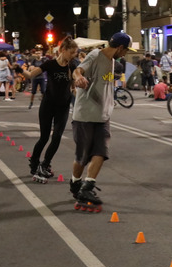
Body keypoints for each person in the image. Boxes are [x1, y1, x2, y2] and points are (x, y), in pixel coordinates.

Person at [68, 32, 133, 207]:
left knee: (101, 151)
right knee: (82, 155)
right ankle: (75, 183)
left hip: (103, 115)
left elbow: (106, 84)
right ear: (120, 47)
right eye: (126, 50)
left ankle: (88, 186)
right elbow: (78, 70)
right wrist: (79, 78)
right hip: (85, 114)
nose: (125, 54)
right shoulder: (95, 55)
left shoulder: (113, 62)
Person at [22, 37, 78, 181]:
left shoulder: (72, 66)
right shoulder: (50, 64)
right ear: (63, 50)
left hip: (63, 107)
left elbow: (73, 86)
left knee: (57, 136)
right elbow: (30, 75)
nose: (73, 56)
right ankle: (34, 162)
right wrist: (18, 68)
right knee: (44, 137)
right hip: (48, 105)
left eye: (75, 53)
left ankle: (45, 164)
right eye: (71, 52)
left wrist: (77, 90)